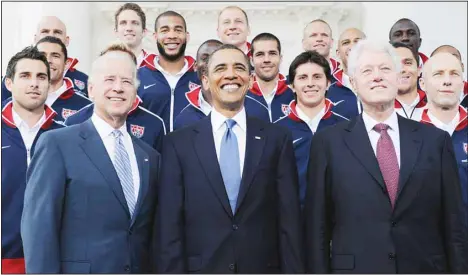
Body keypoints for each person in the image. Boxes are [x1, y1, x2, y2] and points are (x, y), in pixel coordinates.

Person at [304, 39, 468, 273]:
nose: (377, 76)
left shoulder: (435, 141)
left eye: (385, 69)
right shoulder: (328, 143)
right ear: (353, 82)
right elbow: (317, 227)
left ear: (398, 76)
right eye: (367, 71)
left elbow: (454, 225)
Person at [155, 44, 304, 273]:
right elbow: (169, 227)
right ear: (205, 81)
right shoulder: (178, 144)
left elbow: (289, 220)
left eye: (239, 68)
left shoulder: (276, 138)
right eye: (220, 68)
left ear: (250, 79)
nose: (231, 75)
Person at [21, 44, 160, 273]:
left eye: (126, 81)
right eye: (110, 79)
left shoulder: (150, 157)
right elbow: (39, 228)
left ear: (135, 93)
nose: (118, 88)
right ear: (91, 89)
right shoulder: (57, 144)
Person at [1, 46, 64, 274]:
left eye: (41, 77)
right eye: (25, 76)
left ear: (49, 83)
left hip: (54, 261)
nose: (34, 83)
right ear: (9, 83)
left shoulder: (67, 136)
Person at [274, 51, 348, 207]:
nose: (310, 83)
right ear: (292, 86)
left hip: (336, 221)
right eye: (302, 78)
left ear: (328, 83)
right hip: (295, 220)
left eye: (317, 77)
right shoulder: (277, 131)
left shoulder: (346, 128)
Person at [419, 52, 468, 227]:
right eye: (438, 74)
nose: (447, 81)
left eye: (454, 74)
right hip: (426, 245)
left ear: (462, 83)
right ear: (422, 83)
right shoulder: (407, 133)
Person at [137, 11, 199, 132]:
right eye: (164, 30)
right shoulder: (138, 76)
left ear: (187, 36)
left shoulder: (201, 78)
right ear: (155, 36)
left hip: (190, 150)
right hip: (150, 150)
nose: (171, 35)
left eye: (178, 30)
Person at [2, 16, 89, 102]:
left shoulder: (84, 81)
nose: (51, 36)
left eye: (57, 32)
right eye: (45, 31)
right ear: (35, 39)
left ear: (67, 41)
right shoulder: (13, 78)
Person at [64, 96, 166, 152]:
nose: (117, 86)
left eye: (125, 79)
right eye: (109, 78)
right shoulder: (74, 121)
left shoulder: (155, 123)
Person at [35, 36, 91, 122]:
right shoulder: (17, 103)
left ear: (67, 64)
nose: (48, 60)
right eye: (42, 55)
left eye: (55, 56)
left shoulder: (86, 108)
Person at [244, 32, 294, 122]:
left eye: (272, 53)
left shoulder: (296, 93)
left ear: (280, 58)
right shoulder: (242, 95)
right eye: (260, 54)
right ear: (251, 60)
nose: (266, 59)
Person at [174, 39, 223, 130]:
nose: (210, 64)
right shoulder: (184, 119)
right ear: (195, 66)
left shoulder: (249, 107)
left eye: (217, 58)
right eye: (205, 59)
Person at [327, 28, 366, 119]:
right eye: (345, 43)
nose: (352, 46)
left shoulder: (380, 81)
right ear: (338, 53)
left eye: (357, 41)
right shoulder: (327, 87)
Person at [392, 42, 426, 121]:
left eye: (408, 63)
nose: (401, 69)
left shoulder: (435, 108)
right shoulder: (375, 111)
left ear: (419, 70)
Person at [114, 3, 152, 67]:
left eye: (135, 23)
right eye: (123, 23)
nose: (129, 28)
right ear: (116, 32)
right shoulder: (105, 64)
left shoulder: (157, 65)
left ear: (144, 32)